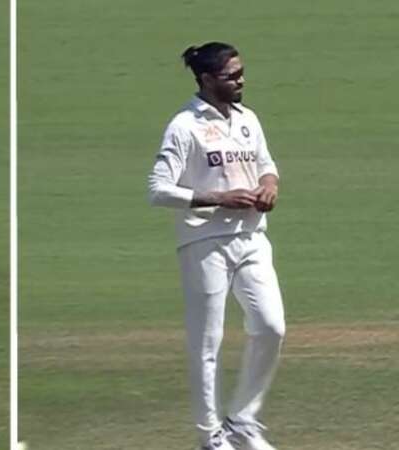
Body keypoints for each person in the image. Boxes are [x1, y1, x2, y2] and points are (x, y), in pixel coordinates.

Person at [147, 42, 285, 450]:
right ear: (207, 79)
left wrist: (269, 186)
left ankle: (243, 418)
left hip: (253, 237)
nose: (241, 80)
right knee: (208, 341)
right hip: (204, 242)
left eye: (242, 72)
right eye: (232, 76)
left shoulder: (248, 119)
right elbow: (157, 190)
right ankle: (211, 437)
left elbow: (266, 164)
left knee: (271, 326)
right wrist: (219, 198)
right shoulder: (184, 126)